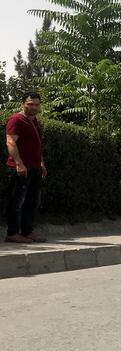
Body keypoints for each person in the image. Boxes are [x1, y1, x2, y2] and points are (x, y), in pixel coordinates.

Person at [5, 92, 47, 243]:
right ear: (23, 103)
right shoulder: (16, 119)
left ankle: (27, 231)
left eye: (36, 104)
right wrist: (18, 163)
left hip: (34, 168)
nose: (33, 107)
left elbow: (37, 145)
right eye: (30, 104)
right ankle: (12, 233)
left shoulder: (34, 121)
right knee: (17, 201)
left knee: (32, 201)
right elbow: (10, 142)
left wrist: (41, 163)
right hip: (20, 168)